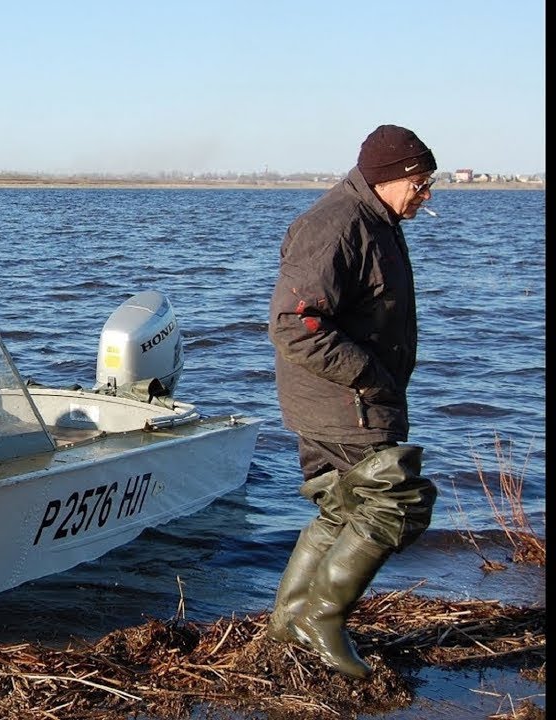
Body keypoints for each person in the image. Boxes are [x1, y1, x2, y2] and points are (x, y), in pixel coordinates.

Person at [265, 125, 440, 678]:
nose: (426, 193)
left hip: (354, 399)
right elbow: (293, 324)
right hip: (346, 402)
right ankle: (324, 618)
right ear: (388, 178)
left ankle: (290, 619)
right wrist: (370, 378)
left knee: (343, 504)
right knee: (396, 502)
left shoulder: (375, 220)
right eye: (421, 182)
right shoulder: (337, 224)